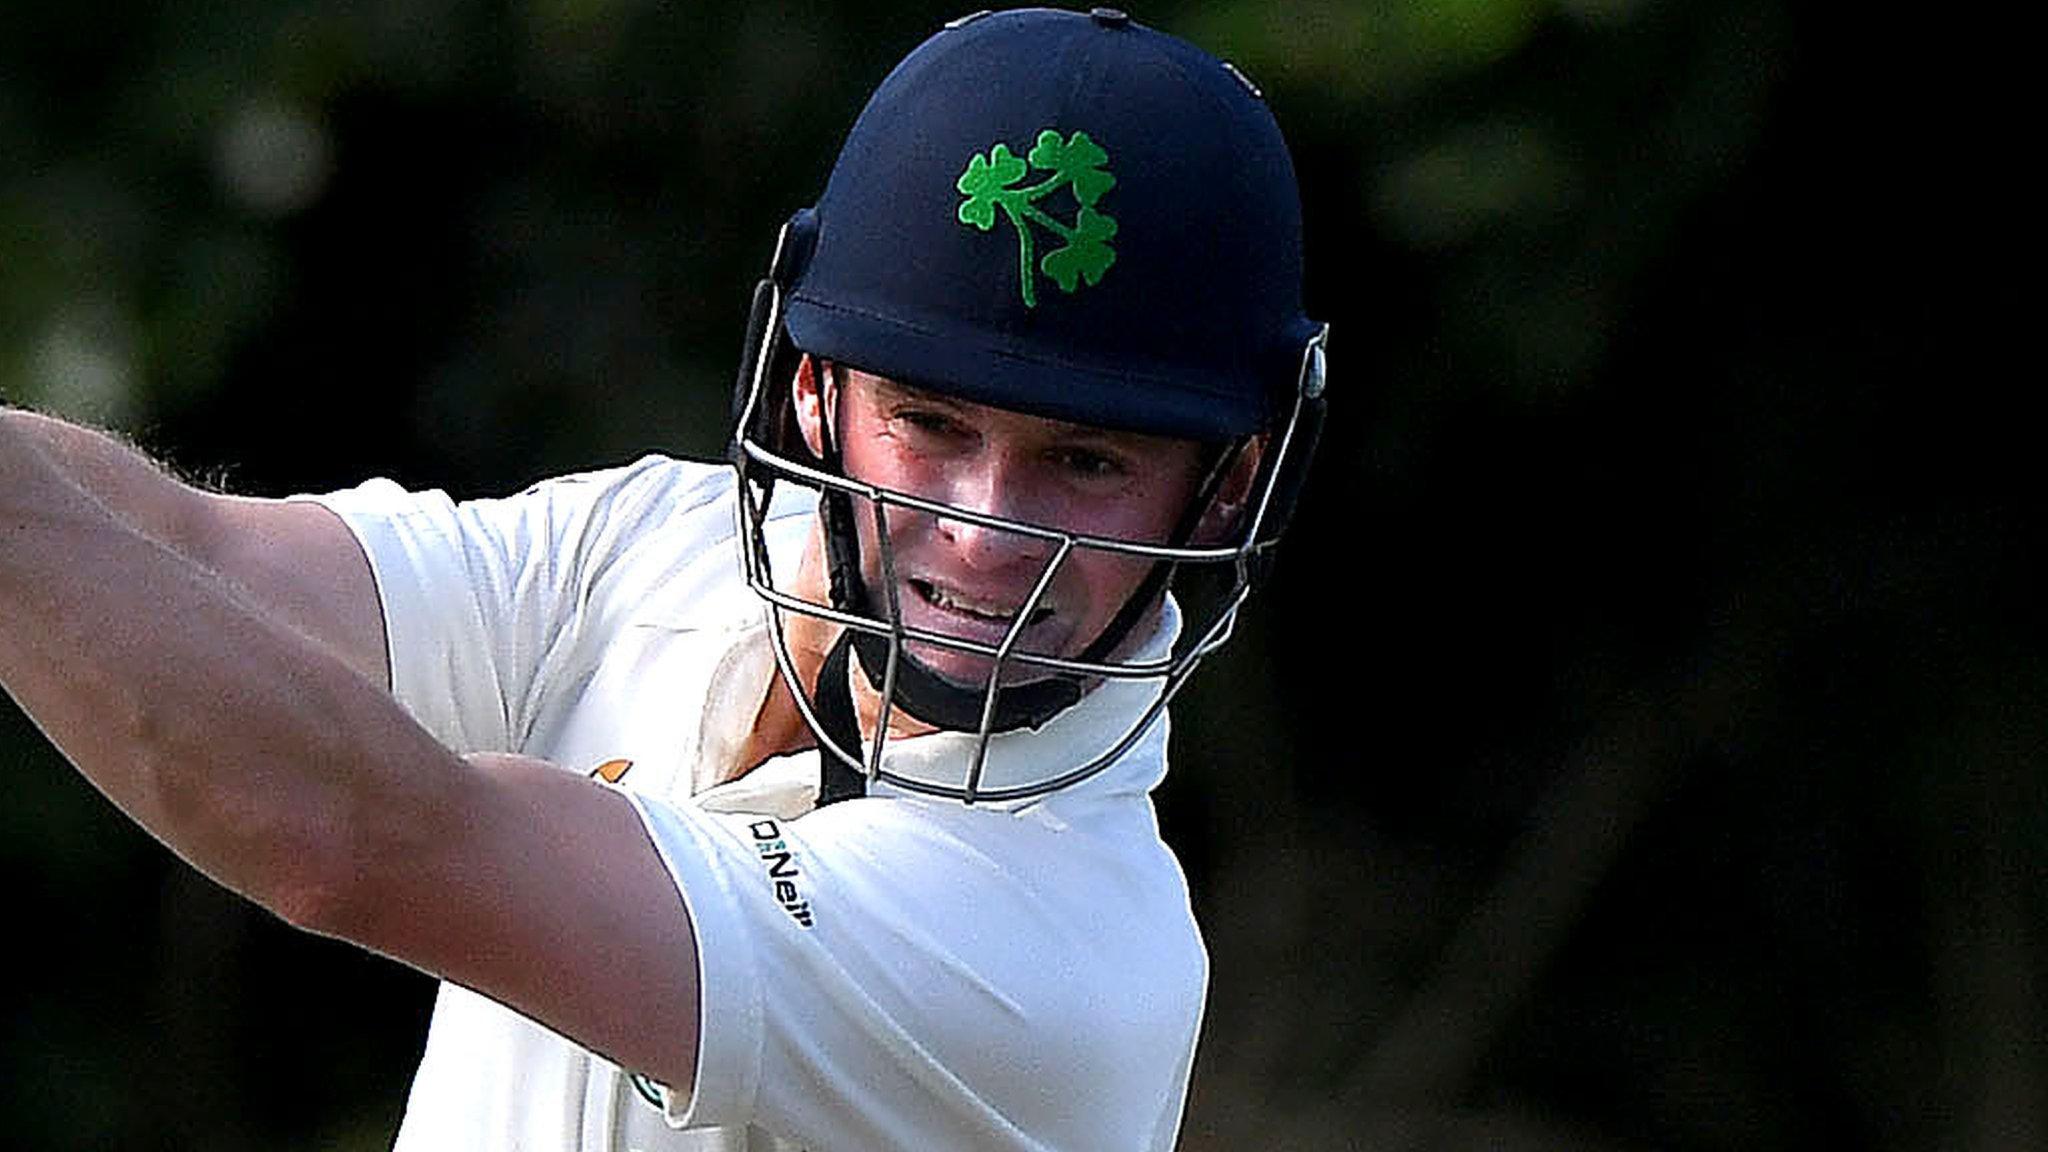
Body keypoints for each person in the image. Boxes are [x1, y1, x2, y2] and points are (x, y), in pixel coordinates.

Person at [0, 8, 1325, 1150]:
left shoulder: (1067, 961)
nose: (983, 532)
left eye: (1085, 461)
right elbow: (198, 558)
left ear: (1223, 482)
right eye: (930, 425)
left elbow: (359, 840)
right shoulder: (656, 545)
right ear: (815, 389)